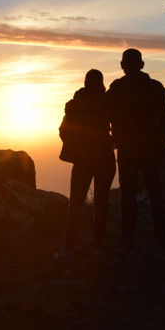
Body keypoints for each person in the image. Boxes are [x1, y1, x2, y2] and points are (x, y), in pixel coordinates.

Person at [106, 49, 165, 254]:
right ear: (142, 65)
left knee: (128, 194)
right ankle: (163, 238)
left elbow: (103, 112)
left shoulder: (117, 87)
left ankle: (127, 239)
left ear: (122, 65)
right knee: (155, 192)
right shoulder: (157, 87)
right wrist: (163, 145)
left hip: (127, 149)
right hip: (152, 148)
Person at [54, 69, 116, 263]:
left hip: (83, 160)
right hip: (105, 158)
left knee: (76, 205)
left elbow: (64, 131)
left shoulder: (74, 104)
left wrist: (77, 147)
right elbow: (119, 126)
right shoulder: (108, 102)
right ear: (101, 82)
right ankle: (97, 249)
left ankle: (68, 250)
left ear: (85, 82)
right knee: (101, 204)